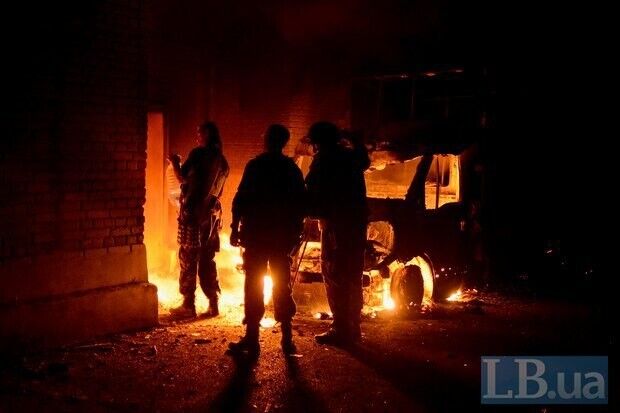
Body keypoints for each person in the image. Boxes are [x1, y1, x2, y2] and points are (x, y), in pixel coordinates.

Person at [228, 124, 306, 357]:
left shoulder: (256, 166)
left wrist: (234, 227)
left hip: (256, 234)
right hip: (280, 237)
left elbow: (240, 199)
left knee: (254, 284)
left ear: (267, 140)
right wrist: (296, 233)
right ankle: (287, 339)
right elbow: (300, 205)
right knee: (281, 283)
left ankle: (252, 338)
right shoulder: (291, 169)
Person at [305, 121, 370, 346]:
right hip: (356, 224)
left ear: (318, 141)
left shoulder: (324, 159)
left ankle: (340, 328)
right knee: (353, 274)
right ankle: (354, 326)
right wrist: (355, 141)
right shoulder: (352, 156)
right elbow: (364, 160)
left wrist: (308, 210)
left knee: (334, 273)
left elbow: (311, 188)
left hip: (335, 225)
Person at [168, 121, 229, 319]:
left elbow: (182, 178)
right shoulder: (223, 162)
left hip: (192, 215)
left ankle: (188, 305)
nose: (197, 137)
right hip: (211, 217)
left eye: (200, 133)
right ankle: (213, 303)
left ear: (207, 135)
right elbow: (219, 191)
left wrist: (174, 162)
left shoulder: (198, 154)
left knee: (188, 258)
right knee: (206, 258)